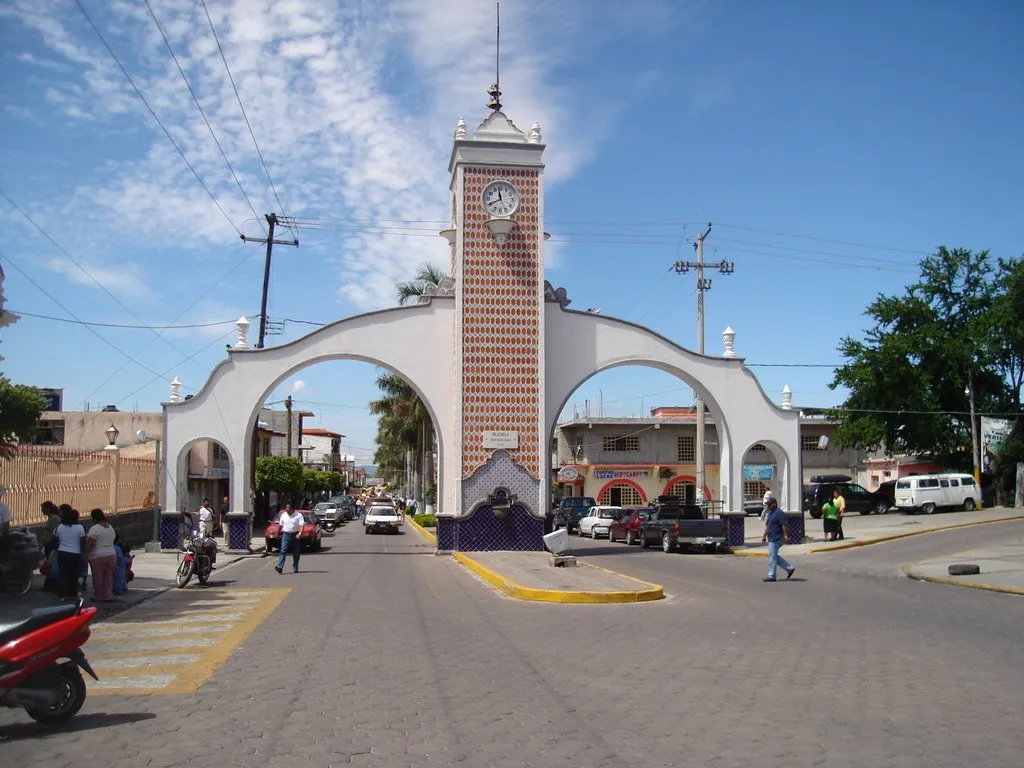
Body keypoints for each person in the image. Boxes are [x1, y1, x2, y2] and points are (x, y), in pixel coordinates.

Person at [85, 508, 118, 602]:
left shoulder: (95, 528)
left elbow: (91, 543)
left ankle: (99, 596)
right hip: (111, 555)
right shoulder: (110, 527)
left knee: (98, 577)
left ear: (94, 518)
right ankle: (108, 595)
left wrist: (86, 555)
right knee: (108, 576)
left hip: (97, 556)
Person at [54, 507, 87, 598]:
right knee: (73, 574)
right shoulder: (80, 528)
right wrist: (83, 553)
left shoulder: (60, 527)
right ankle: (72, 592)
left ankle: (62, 594)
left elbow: (56, 538)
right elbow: (81, 542)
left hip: (62, 552)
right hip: (75, 553)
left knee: (63, 574)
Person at [761, 497, 795, 582]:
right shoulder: (771, 514)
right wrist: (764, 535)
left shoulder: (779, 513)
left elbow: (784, 525)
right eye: (767, 505)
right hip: (771, 537)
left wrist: (786, 536)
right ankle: (789, 568)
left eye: (769, 505)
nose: (768, 506)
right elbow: (768, 526)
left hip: (777, 538)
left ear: (774, 504)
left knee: (772, 557)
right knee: (774, 556)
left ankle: (772, 576)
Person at [275, 504, 304, 574]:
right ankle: (280, 567)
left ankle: (295, 567)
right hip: (286, 535)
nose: (287, 511)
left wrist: (299, 534)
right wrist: (278, 533)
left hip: (295, 535)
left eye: (289, 510)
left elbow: (302, 525)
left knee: (296, 553)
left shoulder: (298, 515)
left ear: (293, 509)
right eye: (286, 509)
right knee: (283, 550)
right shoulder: (284, 515)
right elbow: (280, 525)